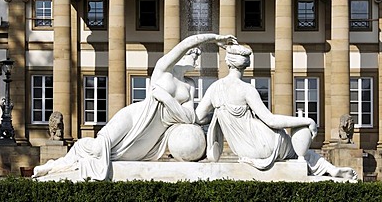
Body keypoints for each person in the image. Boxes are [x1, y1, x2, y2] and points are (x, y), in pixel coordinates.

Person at [33, 33, 236, 181]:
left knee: (116, 157)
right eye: (193, 54)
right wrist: (214, 38)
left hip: (151, 136)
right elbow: (185, 44)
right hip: (135, 118)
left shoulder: (189, 86)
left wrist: (166, 99)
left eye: (197, 55)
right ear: (182, 56)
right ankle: (53, 168)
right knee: (96, 148)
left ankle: (59, 168)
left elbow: (189, 118)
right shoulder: (163, 70)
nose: (196, 58)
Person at [195, 43, 357, 180]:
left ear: (228, 63)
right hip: (265, 145)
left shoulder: (214, 88)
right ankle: (329, 168)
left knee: (298, 151)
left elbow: (199, 117)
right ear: (246, 64)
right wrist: (308, 121)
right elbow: (271, 120)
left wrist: (221, 114)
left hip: (243, 150)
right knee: (299, 146)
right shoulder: (247, 90)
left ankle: (328, 168)